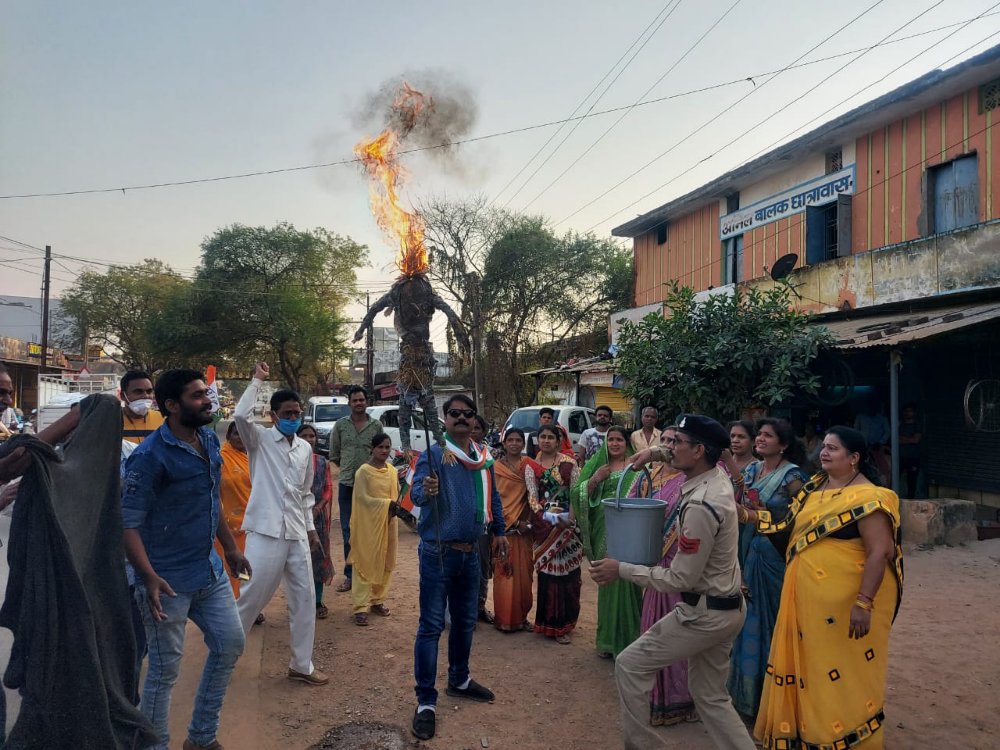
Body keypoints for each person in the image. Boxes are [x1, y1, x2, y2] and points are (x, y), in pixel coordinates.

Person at [592, 414, 754, 750]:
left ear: (698, 451)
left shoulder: (699, 505)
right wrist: (652, 455)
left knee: (630, 665)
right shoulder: (715, 477)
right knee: (710, 696)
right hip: (727, 608)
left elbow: (680, 577)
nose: (669, 447)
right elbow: (681, 457)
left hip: (703, 614)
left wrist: (620, 569)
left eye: (676, 442)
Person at [122, 369, 251, 750]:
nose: (207, 400)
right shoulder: (149, 457)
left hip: (208, 571)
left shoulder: (209, 440)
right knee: (164, 673)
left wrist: (229, 549)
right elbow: (127, 524)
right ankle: (154, 744)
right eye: (197, 396)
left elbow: (211, 501)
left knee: (230, 644)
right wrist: (147, 577)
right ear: (172, 406)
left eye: (205, 393)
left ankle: (201, 737)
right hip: (165, 582)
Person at [753, 426, 902, 750]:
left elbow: (880, 551)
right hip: (807, 600)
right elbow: (785, 526)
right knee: (811, 667)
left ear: (854, 458)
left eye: (833, 449)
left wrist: (863, 603)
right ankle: (809, 733)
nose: (823, 452)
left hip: (846, 605)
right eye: (824, 446)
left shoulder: (872, 497)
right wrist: (746, 515)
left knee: (842, 670)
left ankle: (843, 736)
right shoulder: (814, 489)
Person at [409, 394, 508, 741]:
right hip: (438, 552)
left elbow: (493, 497)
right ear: (445, 418)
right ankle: (425, 702)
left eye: (468, 414)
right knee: (432, 626)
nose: (462, 418)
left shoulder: (483, 458)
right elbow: (417, 496)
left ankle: (459, 679)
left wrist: (499, 532)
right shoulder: (435, 455)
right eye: (455, 414)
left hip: (472, 553)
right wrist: (427, 488)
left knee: (466, 622)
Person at [234, 362, 329, 687]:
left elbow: (305, 494)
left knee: (304, 600)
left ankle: (301, 664)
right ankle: (225, 653)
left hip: (296, 535)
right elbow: (241, 416)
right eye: (287, 413)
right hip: (265, 534)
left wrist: (312, 530)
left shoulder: (305, 448)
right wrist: (257, 380)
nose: (293, 418)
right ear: (274, 416)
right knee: (252, 596)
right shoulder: (258, 441)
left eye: (297, 412)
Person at [728, 418, 807, 719]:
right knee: (748, 623)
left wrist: (755, 518)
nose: (760, 439)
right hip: (749, 552)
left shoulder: (793, 477)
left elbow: (801, 519)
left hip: (773, 556)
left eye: (767, 436)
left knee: (771, 624)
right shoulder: (751, 470)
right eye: (758, 434)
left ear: (783, 444)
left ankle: (772, 700)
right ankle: (746, 698)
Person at [627, 427, 697, 727]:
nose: (668, 445)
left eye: (674, 441)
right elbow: (629, 505)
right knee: (652, 629)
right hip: (654, 562)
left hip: (680, 564)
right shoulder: (650, 476)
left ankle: (679, 700)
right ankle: (656, 699)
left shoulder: (691, 480)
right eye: (664, 441)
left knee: (677, 631)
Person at [571, 425, 643, 658]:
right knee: (609, 580)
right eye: (610, 440)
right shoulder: (596, 464)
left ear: (626, 443)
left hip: (630, 531)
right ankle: (608, 642)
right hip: (604, 529)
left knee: (629, 579)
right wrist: (594, 480)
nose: (614, 444)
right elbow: (577, 492)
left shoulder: (637, 466)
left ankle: (630, 640)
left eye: (619, 440)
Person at [529, 424, 584, 643]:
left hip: (567, 529)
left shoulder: (570, 464)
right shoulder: (531, 465)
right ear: (537, 440)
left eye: (551, 437)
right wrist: (547, 517)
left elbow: (576, 494)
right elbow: (532, 497)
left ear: (558, 440)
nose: (546, 440)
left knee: (568, 577)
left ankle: (564, 625)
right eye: (542, 436)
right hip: (544, 527)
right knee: (548, 577)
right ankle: (548, 624)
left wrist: (568, 519)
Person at [329, 385, 383, 593]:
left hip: (371, 486)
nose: (359, 403)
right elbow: (334, 453)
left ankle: (369, 575)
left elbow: (381, 451)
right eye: (355, 400)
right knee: (348, 531)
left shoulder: (376, 426)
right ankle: (350, 576)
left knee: (370, 531)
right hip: (347, 486)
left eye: (362, 400)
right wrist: (349, 469)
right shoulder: (341, 425)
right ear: (349, 403)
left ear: (366, 401)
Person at [350, 432, 400, 626]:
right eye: (380, 447)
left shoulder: (393, 471)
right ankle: (360, 607)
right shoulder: (363, 471)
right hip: (368, 525)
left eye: (387, 447)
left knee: (386, 561)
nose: (384, 451)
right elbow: (362, 498)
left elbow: (396, 493)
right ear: (371, 448)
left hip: (389, 523)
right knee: (365, 561)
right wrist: (386, 504)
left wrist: (393, 507)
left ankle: (377, 600)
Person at [491, 428, 536, 632]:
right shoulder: (495, 468)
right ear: (504, 443)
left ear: (524, 444)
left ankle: (522, 618)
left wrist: (526, 522)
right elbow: (494, 501)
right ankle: (504, 620)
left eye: (519, 440)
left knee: (525, 578)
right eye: (511, 440)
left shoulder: (529, 467)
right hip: (504, 531)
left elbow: (536, 495)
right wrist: (514, 522)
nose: (515, 443)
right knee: (505, 576)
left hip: (525, 531)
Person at [299, 423, 336, 619]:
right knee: (298, 560)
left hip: (318, 518)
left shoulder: (322, 462)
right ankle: (301, 602)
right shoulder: (290, 460)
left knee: (319, 557)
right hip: (296, 516)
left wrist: (318, 508)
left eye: (311, 436)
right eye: (304, 436)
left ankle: (317, 601)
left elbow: (328, 488)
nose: (309, 439)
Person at [215, 421, 252, 600]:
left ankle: (247, 602)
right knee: (232, 566)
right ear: (229, 436)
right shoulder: (220, 458)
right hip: (229, 527)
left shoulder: (256, 457)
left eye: (245, 434)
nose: (241, 438)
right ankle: (234, 602)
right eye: (237, 433)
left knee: (251, 565)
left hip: (254, 525)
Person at [470, 413, 495, 623]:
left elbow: (495, 492)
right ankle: (463, 611)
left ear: (483, 432)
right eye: (470, 427)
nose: (472, 431)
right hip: (461, 524)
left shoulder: (489, 456)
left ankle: (480, 607)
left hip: (485, 522)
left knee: (483, 564)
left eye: (477, 428)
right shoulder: (452, 454)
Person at [120, 370, 165, 444]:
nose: (145, 396)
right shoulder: (111, 422)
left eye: (149, 391)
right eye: (138, 392)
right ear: (123, 396)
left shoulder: (164, 421)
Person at [898, 403, 926, 498]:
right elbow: (895, 439)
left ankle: (911, 499)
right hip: (900, 456)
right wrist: (909, 439)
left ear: (914, 413)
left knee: (912, 479)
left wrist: (903, 439)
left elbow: (916, 440)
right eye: (906, 411)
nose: (908, 413)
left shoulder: (917, 425)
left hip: (913, 456)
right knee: (896, 477)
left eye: (910, 411)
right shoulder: (899, 424)